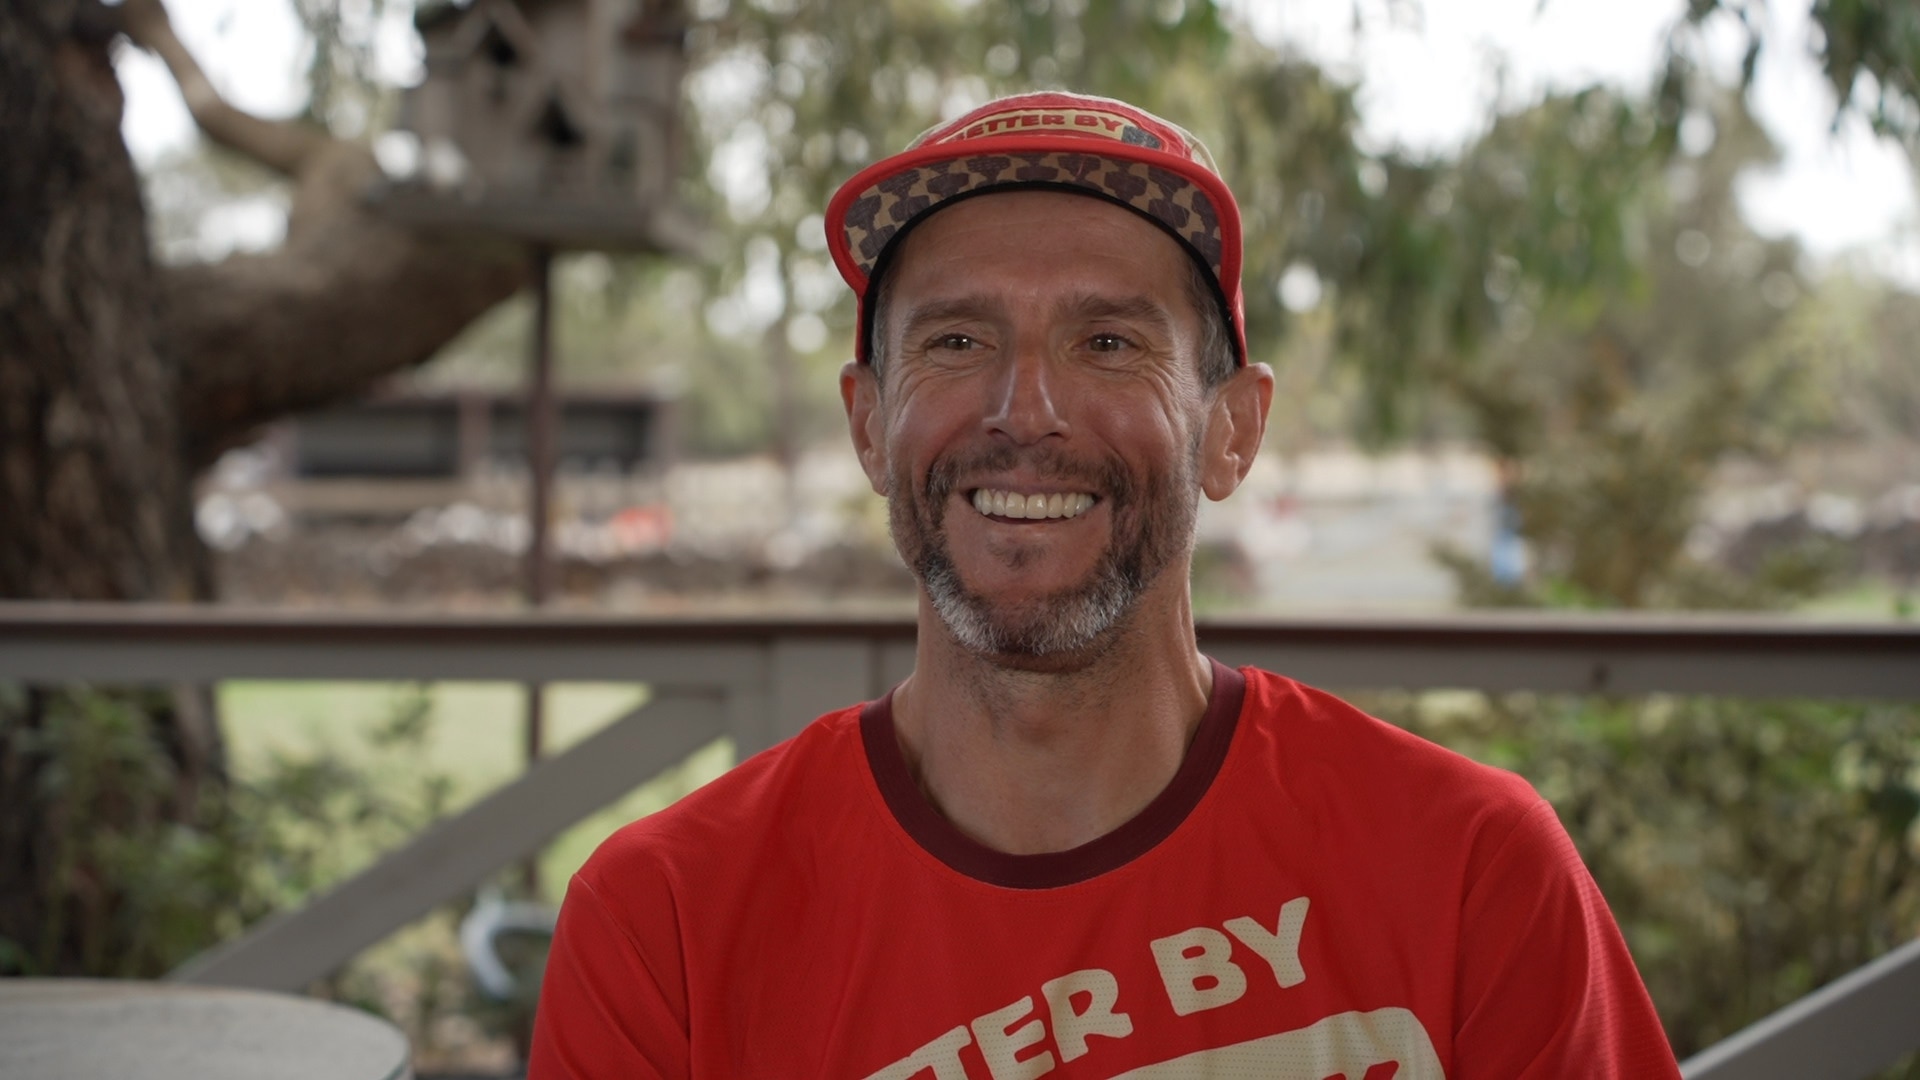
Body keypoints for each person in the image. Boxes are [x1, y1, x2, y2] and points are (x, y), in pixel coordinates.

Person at [528, 91, 1682, 1079]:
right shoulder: (664, 926)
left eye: (1110, 344)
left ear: (1232, 432)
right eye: (958, 343)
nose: (1025, 410)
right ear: (870, 426)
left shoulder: (1471, 874)